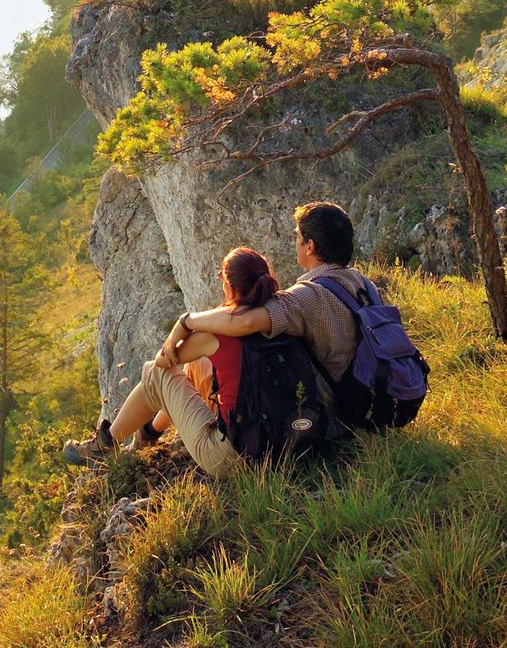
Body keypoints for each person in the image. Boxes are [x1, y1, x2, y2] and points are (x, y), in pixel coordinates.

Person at [61, 247, 281, 478]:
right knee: (196, 367)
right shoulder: (281, 314)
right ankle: (148, 435)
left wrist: (189, 325)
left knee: (155, 373)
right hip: (282, 444)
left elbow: (163, 360)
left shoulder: (217, 333)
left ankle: (103, 446)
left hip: (232, 459)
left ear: (229, 287)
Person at [158, 201, 373, 402]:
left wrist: (185, 322)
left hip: (332, 412)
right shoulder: (363, 283)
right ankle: (149, 430)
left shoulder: (307, 295)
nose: (295, 242)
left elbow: (245, 321)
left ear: (310, 247)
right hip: (368, 396)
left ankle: (146, 431)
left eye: (297, 236)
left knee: (196, 365)